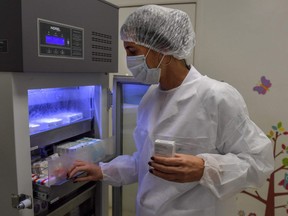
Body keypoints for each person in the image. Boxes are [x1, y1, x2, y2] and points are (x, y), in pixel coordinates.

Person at [67, 4, 274, 216]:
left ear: (162, 49)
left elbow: (259, 161)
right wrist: (103, 170)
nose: (128, 60)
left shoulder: (216, 96)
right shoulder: (150, 97)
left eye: (132, 51)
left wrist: (205, 168)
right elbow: (145, 162)